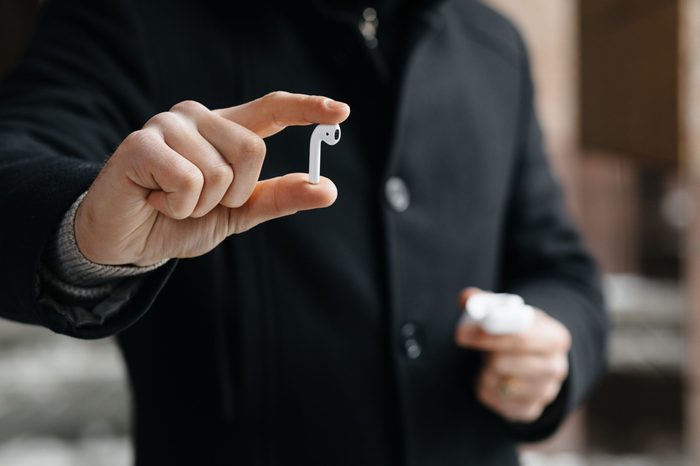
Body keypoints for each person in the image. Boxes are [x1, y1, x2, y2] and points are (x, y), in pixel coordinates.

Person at [0, 0, 607, 464]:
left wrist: (553, 348)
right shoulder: (135, 18)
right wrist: (86, 230)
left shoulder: (492, 46)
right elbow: (14, 165)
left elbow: (562, 270)